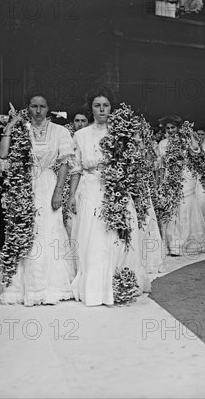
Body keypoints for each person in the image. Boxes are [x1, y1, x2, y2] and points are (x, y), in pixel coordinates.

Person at [69, 87, 151, 306]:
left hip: (117, 189)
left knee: (116, 234)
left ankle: (118, 281)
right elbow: (76, 168)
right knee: (92, 234)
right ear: (91, 108)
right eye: (97, 105)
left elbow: (134, 164)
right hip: (90, 188)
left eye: (105, 105)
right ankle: (95, 287)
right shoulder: (80, 135)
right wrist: (71, 196)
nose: (102, 109)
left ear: (112, 108)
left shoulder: (121, 133)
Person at [0, 94, 75, 305]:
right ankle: (24, 287)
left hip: (49, 184)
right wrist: (10, 126)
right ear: (28, 108)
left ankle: (51, 285)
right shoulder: (21, 130)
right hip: (24, 186)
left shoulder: (60, 131)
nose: (38, 110)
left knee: (49, 229)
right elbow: (3, 154)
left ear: (48, 108)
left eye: (42, 106)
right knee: (26, 230)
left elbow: (64, 163)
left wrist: (59, 191)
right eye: (34, 106)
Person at [156, 114, 205, 255]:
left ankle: (188, 242)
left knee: (185, 205)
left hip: (186, 176)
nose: (170, 130)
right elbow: (161, 164)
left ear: (178, 128)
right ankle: (174, 243)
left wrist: (191, 136)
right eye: (167, 128)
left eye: (173, 127)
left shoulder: (185, 141)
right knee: (172, 208)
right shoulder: (162, 144)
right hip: (170, 176)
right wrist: (161, 181)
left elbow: (196, 151)